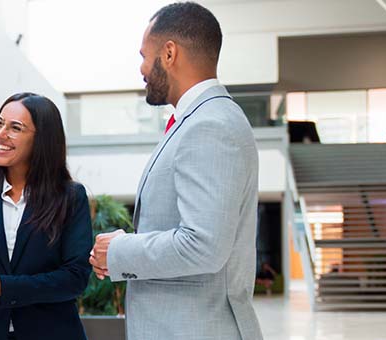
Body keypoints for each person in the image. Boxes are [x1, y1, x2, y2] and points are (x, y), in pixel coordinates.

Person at [87, 2, 264, 339]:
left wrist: (120, 252)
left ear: (169, 53)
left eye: (144, 55)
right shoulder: (199, 121)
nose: (141, 68)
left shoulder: (210, 125)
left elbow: (203, 246)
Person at [0, 93, 92, 340]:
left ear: (42, 140)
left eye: (15, 127)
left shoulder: (70, 197)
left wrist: (4, 288)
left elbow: (74, 278)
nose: (0, 134)